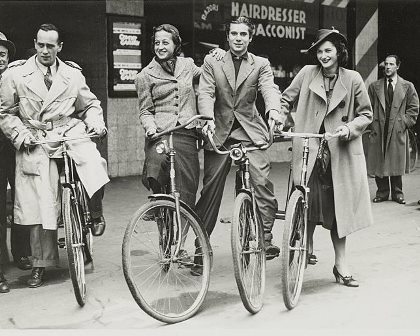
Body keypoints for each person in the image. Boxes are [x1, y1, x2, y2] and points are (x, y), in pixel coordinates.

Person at [0, 23, 109, 288]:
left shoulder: (72, 74)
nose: (45, 50)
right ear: (34, 44)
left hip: (67, 131)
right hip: (35, 139)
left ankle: (93, 214)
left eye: (51, 45)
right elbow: (5, 113)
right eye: (41, 45)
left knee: (93, 163)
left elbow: (90, 104)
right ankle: (40, 263)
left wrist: (96, 122)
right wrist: (21, 135)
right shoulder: (16, 74)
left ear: (59, 47)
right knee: (41, 202)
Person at [280, 28, 373, 287]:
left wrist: (350, 128)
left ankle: (341, 265)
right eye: (319, 51)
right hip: (310, 149)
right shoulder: (306, 74)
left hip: (339, 153)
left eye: (328, 50)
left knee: (337, 212)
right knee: (306, 202)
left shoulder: (353, 79)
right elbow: (285, 99)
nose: (323, 56)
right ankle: (304, 248)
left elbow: (366, 114)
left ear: (339, 52)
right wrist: (278, 115)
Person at [196, 16, 283, 271]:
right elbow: (206, 92)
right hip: (219, 130)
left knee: (262, 183)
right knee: (210, 189)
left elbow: (269, 89)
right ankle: (201, 247)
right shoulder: (212, 62)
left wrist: (274, 111)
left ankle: (265, 238)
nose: (238, 38)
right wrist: (207, 119)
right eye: (234, 33)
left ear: (250, 37)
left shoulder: (261, 64)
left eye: (243, 34)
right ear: (228, 36)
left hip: (250, 132)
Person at [135, 24, 223, 260]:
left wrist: (215, 55)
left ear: (176, 45)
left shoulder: (187, 66)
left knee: (186, 192)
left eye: (165, 42)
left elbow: (207, 73)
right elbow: (145, 111)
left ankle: (180, 243)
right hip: (161, 133)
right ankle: (157, 202)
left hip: (186, 133)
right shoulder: (144, 75)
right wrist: (151, 127)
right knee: (157, 163)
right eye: (157, 42)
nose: (160, 46)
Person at [367, 55, 419, 204]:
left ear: (398, 66)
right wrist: (372, 125)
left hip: (397, 129)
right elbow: (368, 108)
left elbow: (414, 108)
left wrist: (404, 122)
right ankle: (382, 193)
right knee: (380, 160)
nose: (388, 67)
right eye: (386, 64)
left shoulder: (407, 86)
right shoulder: (374, 86)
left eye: (391, 64)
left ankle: (398, 193)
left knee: (396, 160)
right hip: (379, 128)